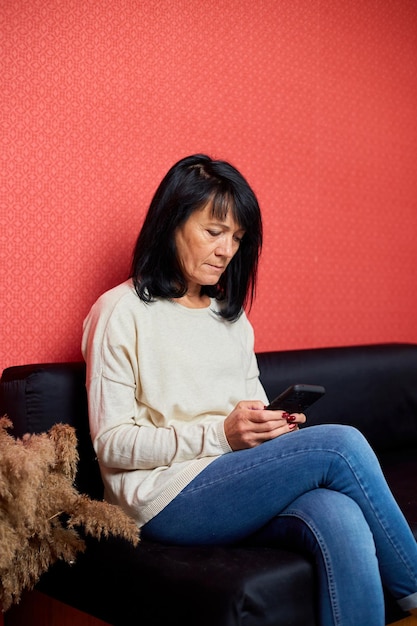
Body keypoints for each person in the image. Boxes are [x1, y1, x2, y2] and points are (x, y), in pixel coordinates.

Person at [82, 153, 417, 626]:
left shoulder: (230, 319)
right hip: (160, 500)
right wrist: (221, 435)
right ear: (171, 223)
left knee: (338, 511)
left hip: (232, 479)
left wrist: (273, 427)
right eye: (213, 231)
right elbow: (111, 445)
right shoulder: (120, 312)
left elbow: (249, 412)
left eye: (237, 238)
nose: (226, 250)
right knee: (341, 445)